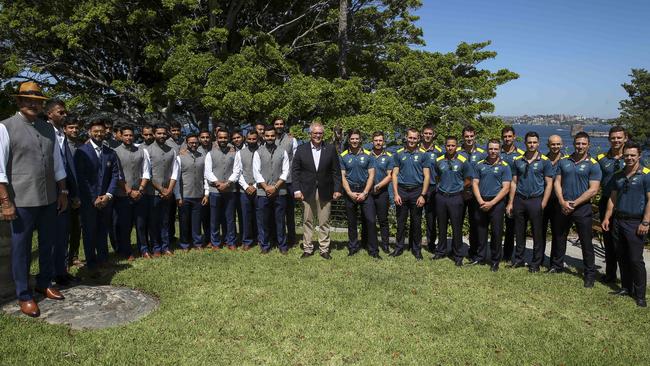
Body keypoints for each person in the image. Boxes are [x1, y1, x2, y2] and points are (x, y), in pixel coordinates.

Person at [1, 82, 68, 317]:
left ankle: (44, 282)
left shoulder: (47, 128)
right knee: (22, 249)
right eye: (28, 100)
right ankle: (24, 295)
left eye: (37, 101)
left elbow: (57, 163)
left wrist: (63, 191)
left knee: (48, 242)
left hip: (49, 197)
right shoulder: (5, 127)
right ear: (19, 102)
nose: (33, 104)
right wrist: (5, 201)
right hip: (21, 199)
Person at [601, 142, 649, 307]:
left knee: (635, 259)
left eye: (632, 155)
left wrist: (646, 221)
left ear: (639, 156)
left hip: (636, 222)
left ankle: (640, 294)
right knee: (621, 255)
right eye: (626, 155)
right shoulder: (619, 175)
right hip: (618, 220)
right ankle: (626, 287)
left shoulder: (646, 175)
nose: (629, 158)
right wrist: (607, 218)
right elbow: (612, 199)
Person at [552, 132, 602, 287]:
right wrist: (562, 202)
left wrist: (574, 204)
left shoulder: (593, 164)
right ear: (573, 143)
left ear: (588, 145)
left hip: (582, 208)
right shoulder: (564, 161)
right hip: (564, 206)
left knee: (586, 243)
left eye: (583, 144)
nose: (580, 146)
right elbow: (556, 183)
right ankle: (557, 266)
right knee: (559, 237)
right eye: (578, 143)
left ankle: (589, 274)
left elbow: (593, 190)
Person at [74, 119, 120, 273]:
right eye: (96, 131)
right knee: (89, 231)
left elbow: (115, 175)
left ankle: (103, 258)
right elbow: (81, 178)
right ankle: (91, 261)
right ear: (89, 132)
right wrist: (93, 197)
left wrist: (107, 195)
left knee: (103, 230)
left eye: (101, 131)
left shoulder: (110, 153)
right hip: (89, 201)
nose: (99, 134)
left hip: (106, 200)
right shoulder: (81, 152)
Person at [292, 121, 342, 259]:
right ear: (310, 134)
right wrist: (296, 190)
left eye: (320, 133)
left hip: (326, 190)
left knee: (324, 221)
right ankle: (308, 248)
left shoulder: (330, 149)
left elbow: (336, 172)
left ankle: (324, 249)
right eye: (315, 133)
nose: (318, 136)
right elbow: (295, 171)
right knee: (307, 221)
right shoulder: (301, 149)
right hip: (306, 190)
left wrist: (337, 189)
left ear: (323, 134)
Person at [506, 132, 554, 272]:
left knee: (537, 233)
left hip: (536, 200)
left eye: (534, 142)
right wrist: (510, 202)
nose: (532, 144)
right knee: (519, 232)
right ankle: (519, 259)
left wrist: (543, 203)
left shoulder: (544, 161)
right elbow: (514, 182)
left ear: (538, 143)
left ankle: (536, 263)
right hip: (520, 200)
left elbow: (549, 184)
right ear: (525, 143)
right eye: (529, 142)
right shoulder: (518, 161)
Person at [45, 99, 80, 286]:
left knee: (63, 234)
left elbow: (68, 166)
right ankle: (49, 273)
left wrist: (71, 192)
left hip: (65, 191)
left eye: (65, 112)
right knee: (51, 236)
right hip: (51, 192)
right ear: (49, 113)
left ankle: (61, 271)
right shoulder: (45, 132)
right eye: (60, 112)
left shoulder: (61, 134)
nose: (64, 115)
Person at [390, 128, 431, 260]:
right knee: (400, 221)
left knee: (416, 222)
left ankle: (416, 249)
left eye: (415, 138)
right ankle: (399, 248)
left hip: (417, 192)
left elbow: (427, 176)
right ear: (406, 138)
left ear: (418, 139)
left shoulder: (424, 155)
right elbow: (394, 175)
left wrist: (423, 195)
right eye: (410, 137)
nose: (412, 140)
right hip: (401, 191)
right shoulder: (398, 154)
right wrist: (396, 194)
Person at [471, 139, 512, 271]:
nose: (493, 151)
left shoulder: (504, 166)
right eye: (490, 149)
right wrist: (480, 201)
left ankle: (495, 260)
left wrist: (492, 203)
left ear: (499, 150)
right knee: (481, 231)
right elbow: (474, 183)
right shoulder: (479, 165)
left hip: (497, 203)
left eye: (495, 149)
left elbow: (506, 188)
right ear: (487, 150)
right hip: (481, 202)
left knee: (496, 233)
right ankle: (480, 257)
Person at [432, 136, 471, 266]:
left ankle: (458, 254)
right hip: (441, 197)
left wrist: (459, 188)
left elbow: (468, 179)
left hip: (456, 197)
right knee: (441, 225)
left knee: (456, 227)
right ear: (445, 145)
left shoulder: (463, 161)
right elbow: (437, 176)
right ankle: (441, 251)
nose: (450, 148)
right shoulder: (438, 160)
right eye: (448, 145)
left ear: (456, 146)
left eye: (453, 145)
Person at [113, 126, 151, 259]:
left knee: (141, 224)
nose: (128, 137)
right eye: (126, 135)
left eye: (131, 135)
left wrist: (140, 189)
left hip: (140, 193)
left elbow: (146, 171)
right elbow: (116, 174)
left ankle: (144, 249)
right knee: (125, 224)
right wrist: (129, 191)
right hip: (123, 195)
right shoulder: (115, 152)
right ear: (121, 136)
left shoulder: (142, 151)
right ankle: (127, 251)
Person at [340, 129, 379, 258]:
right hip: (350, 191)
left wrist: (365, 192)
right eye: (352, 139)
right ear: (349, 140)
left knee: (371, 221)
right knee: (351, 222)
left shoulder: (368, 155)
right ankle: (353, 247)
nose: (355, 141)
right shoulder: (343, 155)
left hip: (365, 190)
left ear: (360, 139)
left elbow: (371, 175)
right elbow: (342, 177)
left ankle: (373, 251)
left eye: (357, 138)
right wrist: (349, 193)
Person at [596, 126, 627, 283]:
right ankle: (610, 274)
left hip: (626, 205)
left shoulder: (631, 158)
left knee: (624, 242)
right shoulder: (601, 158)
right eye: (613, 138)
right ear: (609, 139)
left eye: (619, 138)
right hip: (606, 202)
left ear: (625, 139)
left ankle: (627, 278)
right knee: (608, 240)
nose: (616, 140)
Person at [143, 124, 179, 257]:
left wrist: (169, 189)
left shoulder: (172, 150)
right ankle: (156, 247)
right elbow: (147, 174)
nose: (162, 136)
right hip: (152, 193)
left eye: (164, 133)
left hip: (168, 192)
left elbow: (175, 172)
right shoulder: (147, 150)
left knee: (165, 221)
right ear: (154, 134)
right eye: (159, 133)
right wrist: (161, 189)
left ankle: (166, 246)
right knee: (153, 221)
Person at [253, 126, 290, 254]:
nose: (269, 138)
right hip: (263, 192)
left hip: (279, 191)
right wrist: (266, 187)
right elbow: (256, 173)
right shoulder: (258, 152)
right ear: (264, 137)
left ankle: (282, 246)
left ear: (275, 136)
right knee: (263, 221)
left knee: (280, 220)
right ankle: (265, 245)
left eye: (272, 136)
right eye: (267, 136)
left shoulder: (282, 151)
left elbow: (285, 172)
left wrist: (275, 187)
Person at [204, 128, 239, 250]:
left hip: (230, 190)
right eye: (221, 137)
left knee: (230, 218)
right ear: (217, 138)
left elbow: (237, 170)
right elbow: (208, 172)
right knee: (215, 218)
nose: (223, 140)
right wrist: (218, 183)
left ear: (228, 138)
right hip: (215, 191)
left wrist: (228, 183)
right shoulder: (210, 153)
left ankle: (231, 241)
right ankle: (215, 242)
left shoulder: (234, 153)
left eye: (225, 137)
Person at [174, 134, 209, 251]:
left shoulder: (202, 157)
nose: (193, 145)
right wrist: (178, 195)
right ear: (187, 143)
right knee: (184, 221)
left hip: (199, 195)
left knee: (197, 221)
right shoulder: (180, 157)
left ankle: (197, 243)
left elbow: (205, 176)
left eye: (195, 143)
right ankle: (184, 243)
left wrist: (206, 193)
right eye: (191, 143)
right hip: (185, 195)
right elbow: (176, 178)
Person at [458, 125, 486, 262]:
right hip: (460, 192)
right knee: (457, 222)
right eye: (466, 136)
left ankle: (475, 251)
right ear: (463, 137)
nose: (469, 139)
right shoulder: (456, 152)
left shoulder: (482, 153)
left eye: (471, 136)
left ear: (475, 136)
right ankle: (456, 249)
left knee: (475, 223)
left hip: (476, 193)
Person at [499, 126, 524, 262]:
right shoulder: (496, 152)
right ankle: (495, 251)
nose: (507, 139)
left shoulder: (521, 154)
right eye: (505, 136)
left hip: (513, 195)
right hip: (497, 194)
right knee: (495, 225)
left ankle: (508, 254)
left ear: (514, 137)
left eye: (509, 136)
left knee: (510, 226)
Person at [232, 129, 259, 250]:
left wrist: (256, 185)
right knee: (246, 216)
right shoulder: (240, 153)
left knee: (260, 215)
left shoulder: (262, 151)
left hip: (260, 189)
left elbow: (264, 171)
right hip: (245, 190)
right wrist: (247, 186)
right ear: (246, 139)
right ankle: (247, 240)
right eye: (250, 139)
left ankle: (260, 239)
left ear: (257, 139)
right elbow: (238, 172)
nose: (252, 141)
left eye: (254, 139)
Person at [273, 117, 298, 247]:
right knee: (276, 213)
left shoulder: (291, 139)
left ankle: (292, 238)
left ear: (284, 125)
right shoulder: (269, 138)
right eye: (276, 124)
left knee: (289, 212)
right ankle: (276, 238)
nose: (279, 126)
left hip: (289, 181)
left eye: (281, 124)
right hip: (273, 182)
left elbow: (296, 159)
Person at [63, 117, 84, 267]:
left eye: (76, 128)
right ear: (65, 129)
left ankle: (74, 255)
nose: (74, 130)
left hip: (80, 191)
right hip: (65, 191)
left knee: (77, 227)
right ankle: (63, 258)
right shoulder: (61, 146)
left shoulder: (82, 146)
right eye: (71, 127)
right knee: (65, 228)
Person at [370, 131, 394, 253]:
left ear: (383, 142)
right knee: (369, 220)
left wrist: (378, 186)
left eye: (380, 140)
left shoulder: (389, 156)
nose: (378, 143)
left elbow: (390, 176)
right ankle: (368, 243)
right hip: (368, 193)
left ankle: (385, 245)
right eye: (376, 140)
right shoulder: (367, 155)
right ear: (372, 141)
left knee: (383, 220)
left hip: (382, 193)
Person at [421, 124, 443, 253]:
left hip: (434, 188)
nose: (428, 136)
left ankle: (431, 244)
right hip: (418, 187)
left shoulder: (439, 152)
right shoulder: (415, 150)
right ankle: (414, 243)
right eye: (425, 133)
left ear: (433, 135)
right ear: (422, 135)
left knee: (431, 218)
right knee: (416, 216)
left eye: (430, 133)